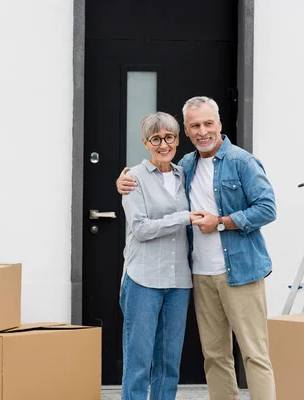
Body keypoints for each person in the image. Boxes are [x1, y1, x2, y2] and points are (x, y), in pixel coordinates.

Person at [117, 96, 277, 400]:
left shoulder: (242, 161)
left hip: (240, 271)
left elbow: (267, 209)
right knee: (215, 356)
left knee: (254, 354)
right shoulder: (185, 166)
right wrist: (123, 183)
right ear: (188, 133)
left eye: (208, 123)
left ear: (219, 124)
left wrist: (221, 221)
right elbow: (150, 187)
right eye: (195, 126)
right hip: (200, 275)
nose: (202, 131)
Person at [120, 111, 201, 400]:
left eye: (169, 137)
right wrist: (183, 218)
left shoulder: (185, 174)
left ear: (178, 140)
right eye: (156, 139)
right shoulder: (133, 178)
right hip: (143, 279)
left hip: (179, 281)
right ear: (145, 143)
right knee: (138, 363)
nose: (163, 144)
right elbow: (140, 229)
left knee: (168, 365)